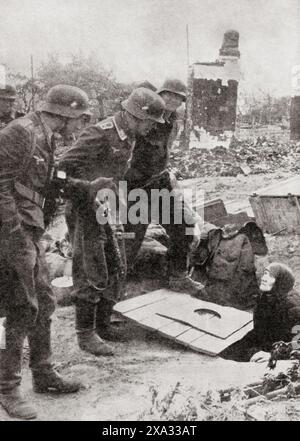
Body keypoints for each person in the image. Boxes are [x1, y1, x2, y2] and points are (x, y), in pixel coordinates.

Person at [0, 84, 102, 420]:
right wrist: (14, 238)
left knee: (43, 301)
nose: (81, 127)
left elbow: (47, 183)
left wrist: (86, 188)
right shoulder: (20, 133)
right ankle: (7, 388)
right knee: (19, 307)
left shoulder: (44, 136)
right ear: (67, 113)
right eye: (81, 119)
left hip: (29, 231)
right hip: (12, 234)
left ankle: (43, 374)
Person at [59, 87, 166, 355]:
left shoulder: (128, 135)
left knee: (115, 263)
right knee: (89, 266)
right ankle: (85, 334)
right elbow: (59, 172)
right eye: (150, 122)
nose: (152, 128)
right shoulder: (99, 133)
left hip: (106, 207)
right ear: (134, 116)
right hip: (85, 208)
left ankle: (103, 324)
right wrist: (87, 189)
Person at [124, 78, 203, 295]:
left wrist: (168, 176)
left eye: (179, 97)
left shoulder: (174, 121)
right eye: (170, 95)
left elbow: (165, 151)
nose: (174, 100)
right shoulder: (146, 117)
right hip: (135, 187)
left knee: (184, 226)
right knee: (131, 238)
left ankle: (178, 277)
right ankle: (116, 287)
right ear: (161, 94)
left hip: (159, 183)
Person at [220, 262, 300, 362]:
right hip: (267, 344)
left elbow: (297, 344)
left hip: (283, 354)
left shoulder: (293, 308)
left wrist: (273, 355)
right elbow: (259, 331)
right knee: (226, 352)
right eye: (265, 274)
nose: (264, 278)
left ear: (281, 281)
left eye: (271, 276)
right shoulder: (266, 296)